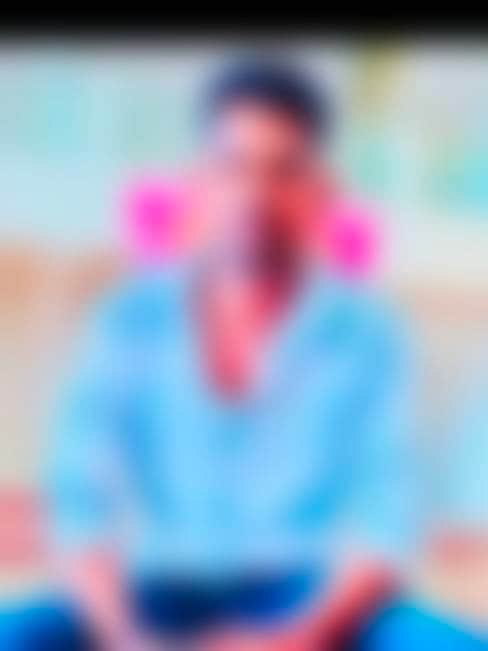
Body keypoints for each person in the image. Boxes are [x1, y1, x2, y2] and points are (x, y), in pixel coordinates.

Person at [6, 56, 486, 651]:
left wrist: (300, 638)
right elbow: (80, 505)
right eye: (234, 166)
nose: (256, 194)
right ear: (200, 182)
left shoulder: (366, 335)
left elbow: (387, 519)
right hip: (153, 589)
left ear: (319, 191)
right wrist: (124, 637)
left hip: (312, 598)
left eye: (283, 170)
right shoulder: (130, 320)